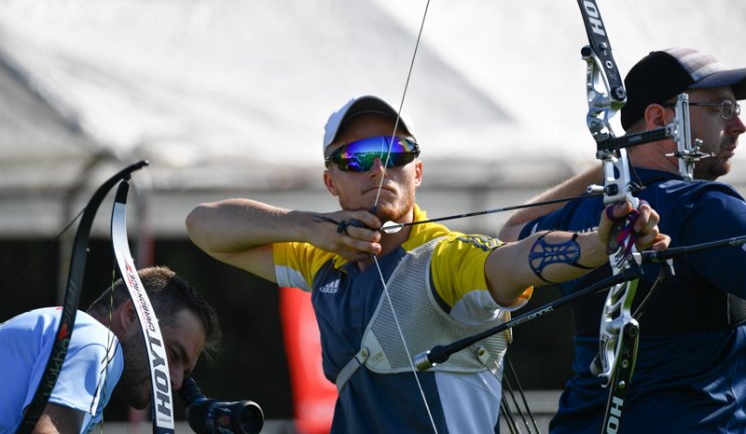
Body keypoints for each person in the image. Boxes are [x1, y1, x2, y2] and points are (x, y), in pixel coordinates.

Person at [185, 95, 668, 433]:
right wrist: (307, 226)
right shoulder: (323, 260)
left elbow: (515, 263)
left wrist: (598, 243)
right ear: (331, 180)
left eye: (396, 153)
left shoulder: (443, 258)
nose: (379, 169)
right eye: (356, 157)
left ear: (417, 170)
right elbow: (204, 225)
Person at [498, 47, 746, 433]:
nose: (738, 125)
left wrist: (618, 159)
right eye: (722, 109)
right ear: (660, 118)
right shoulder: (704, 206)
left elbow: (513, 230)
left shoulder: (585, 213)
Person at [0, 266, 221, 434]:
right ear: (131, 316)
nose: (177, 381)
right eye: (173, 354)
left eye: (185, 372)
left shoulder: (74, 333)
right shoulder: (95, 339)